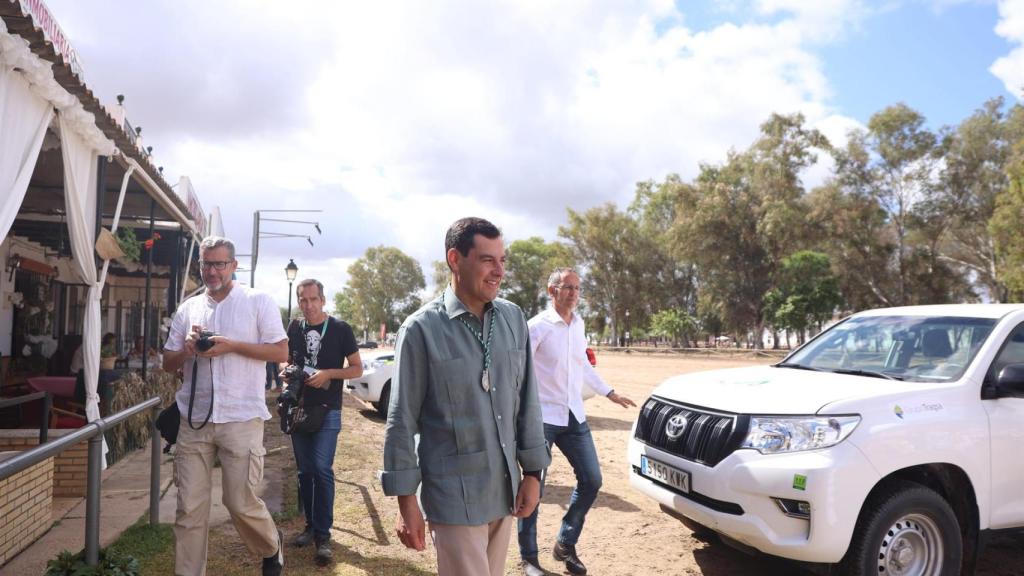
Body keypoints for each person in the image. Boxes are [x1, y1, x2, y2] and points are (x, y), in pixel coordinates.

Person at [382, 217, 551, 576]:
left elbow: (528, 402)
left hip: (504, 492)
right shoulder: (420, 330)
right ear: (455, 259)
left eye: (502, 260)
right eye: (488, 260)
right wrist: (406, 501)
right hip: (453, 498)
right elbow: (401, 420)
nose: (499, 271)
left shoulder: (514, 318)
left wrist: (534, 473)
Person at [162, 236, 289, 576]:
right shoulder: (188, 308)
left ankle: (271, 546)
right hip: (194, 419)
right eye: (206, 264)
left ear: (234, 265)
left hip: (241, 417)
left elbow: (280, 352)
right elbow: (167, 363)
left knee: (239, 501)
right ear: (199, 265)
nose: (212, 271)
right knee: (188, 508)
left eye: (220, 264)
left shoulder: (257, 300)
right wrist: (187, 350)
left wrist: (232, 346)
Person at [518, 268, 637, 576]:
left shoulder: (578, 324)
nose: (573, 293)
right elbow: (519, 371)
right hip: (542, 417)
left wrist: (609, 392)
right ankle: (529, 559)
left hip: (573, 415)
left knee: (592, 479)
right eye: (567, 287)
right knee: (534, 489)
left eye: (577, 288)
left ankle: (565, 543)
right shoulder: (537, 327)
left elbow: (583, 365)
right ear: (551, 290)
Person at [282, 278, 362, 565]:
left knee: (321, 468)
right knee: (304, 471)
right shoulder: (295, 328)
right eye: (303, 300)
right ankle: (311, 527)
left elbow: (356, 368)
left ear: (323, 300)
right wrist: (286, 371)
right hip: (298, 409)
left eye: (313, 299)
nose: (308, 305)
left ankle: (324, 536)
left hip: (328, 409)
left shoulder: (340, 329)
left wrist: (328, 374)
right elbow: (284, 359)